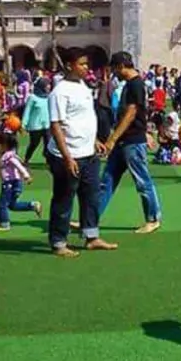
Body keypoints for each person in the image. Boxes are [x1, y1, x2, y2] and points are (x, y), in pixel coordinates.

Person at [46, 50, 117, 257]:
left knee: (91, 196)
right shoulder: (60, 92)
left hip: (89, 153)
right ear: (69, 65)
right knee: (64, 199)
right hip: (68, 155)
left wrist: (94, 141)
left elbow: (82, 118)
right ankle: (58, 242)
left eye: (87, 64)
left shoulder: (83, 86)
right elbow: (56, 125)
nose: (86, 68)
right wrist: (67, 157)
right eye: (82, 64)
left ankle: (91, 236)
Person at [97, 51, 163, 235]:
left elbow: (132, 113)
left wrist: (112, 138)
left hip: (132, 141)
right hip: (124, 140)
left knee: (142, 180)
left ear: (121, 66)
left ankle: (153, 218)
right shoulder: (129, 84)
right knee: (107, 180)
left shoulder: (136, 84)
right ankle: (91, 219)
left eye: (114, 69)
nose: (113, 74)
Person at [0, 131, 42, 231]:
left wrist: (26, 176)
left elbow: (18, 166)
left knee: (2, 204)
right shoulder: (6, 155)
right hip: (13, 184)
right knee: (12, 205)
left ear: (5, 145)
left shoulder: (9, 156)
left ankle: (4, 224)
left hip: (11, 184)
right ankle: (33, 205)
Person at [22, 77, 52, 164]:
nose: (49, 87)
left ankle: (48, 160)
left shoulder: (49, 97)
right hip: (35, 126)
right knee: (34, 144)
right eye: (47, 85)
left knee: (49, 143)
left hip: (47, 125)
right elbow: (27, 111)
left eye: (49, 85)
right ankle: (26, 159)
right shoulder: (32, 97)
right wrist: (23, 124)